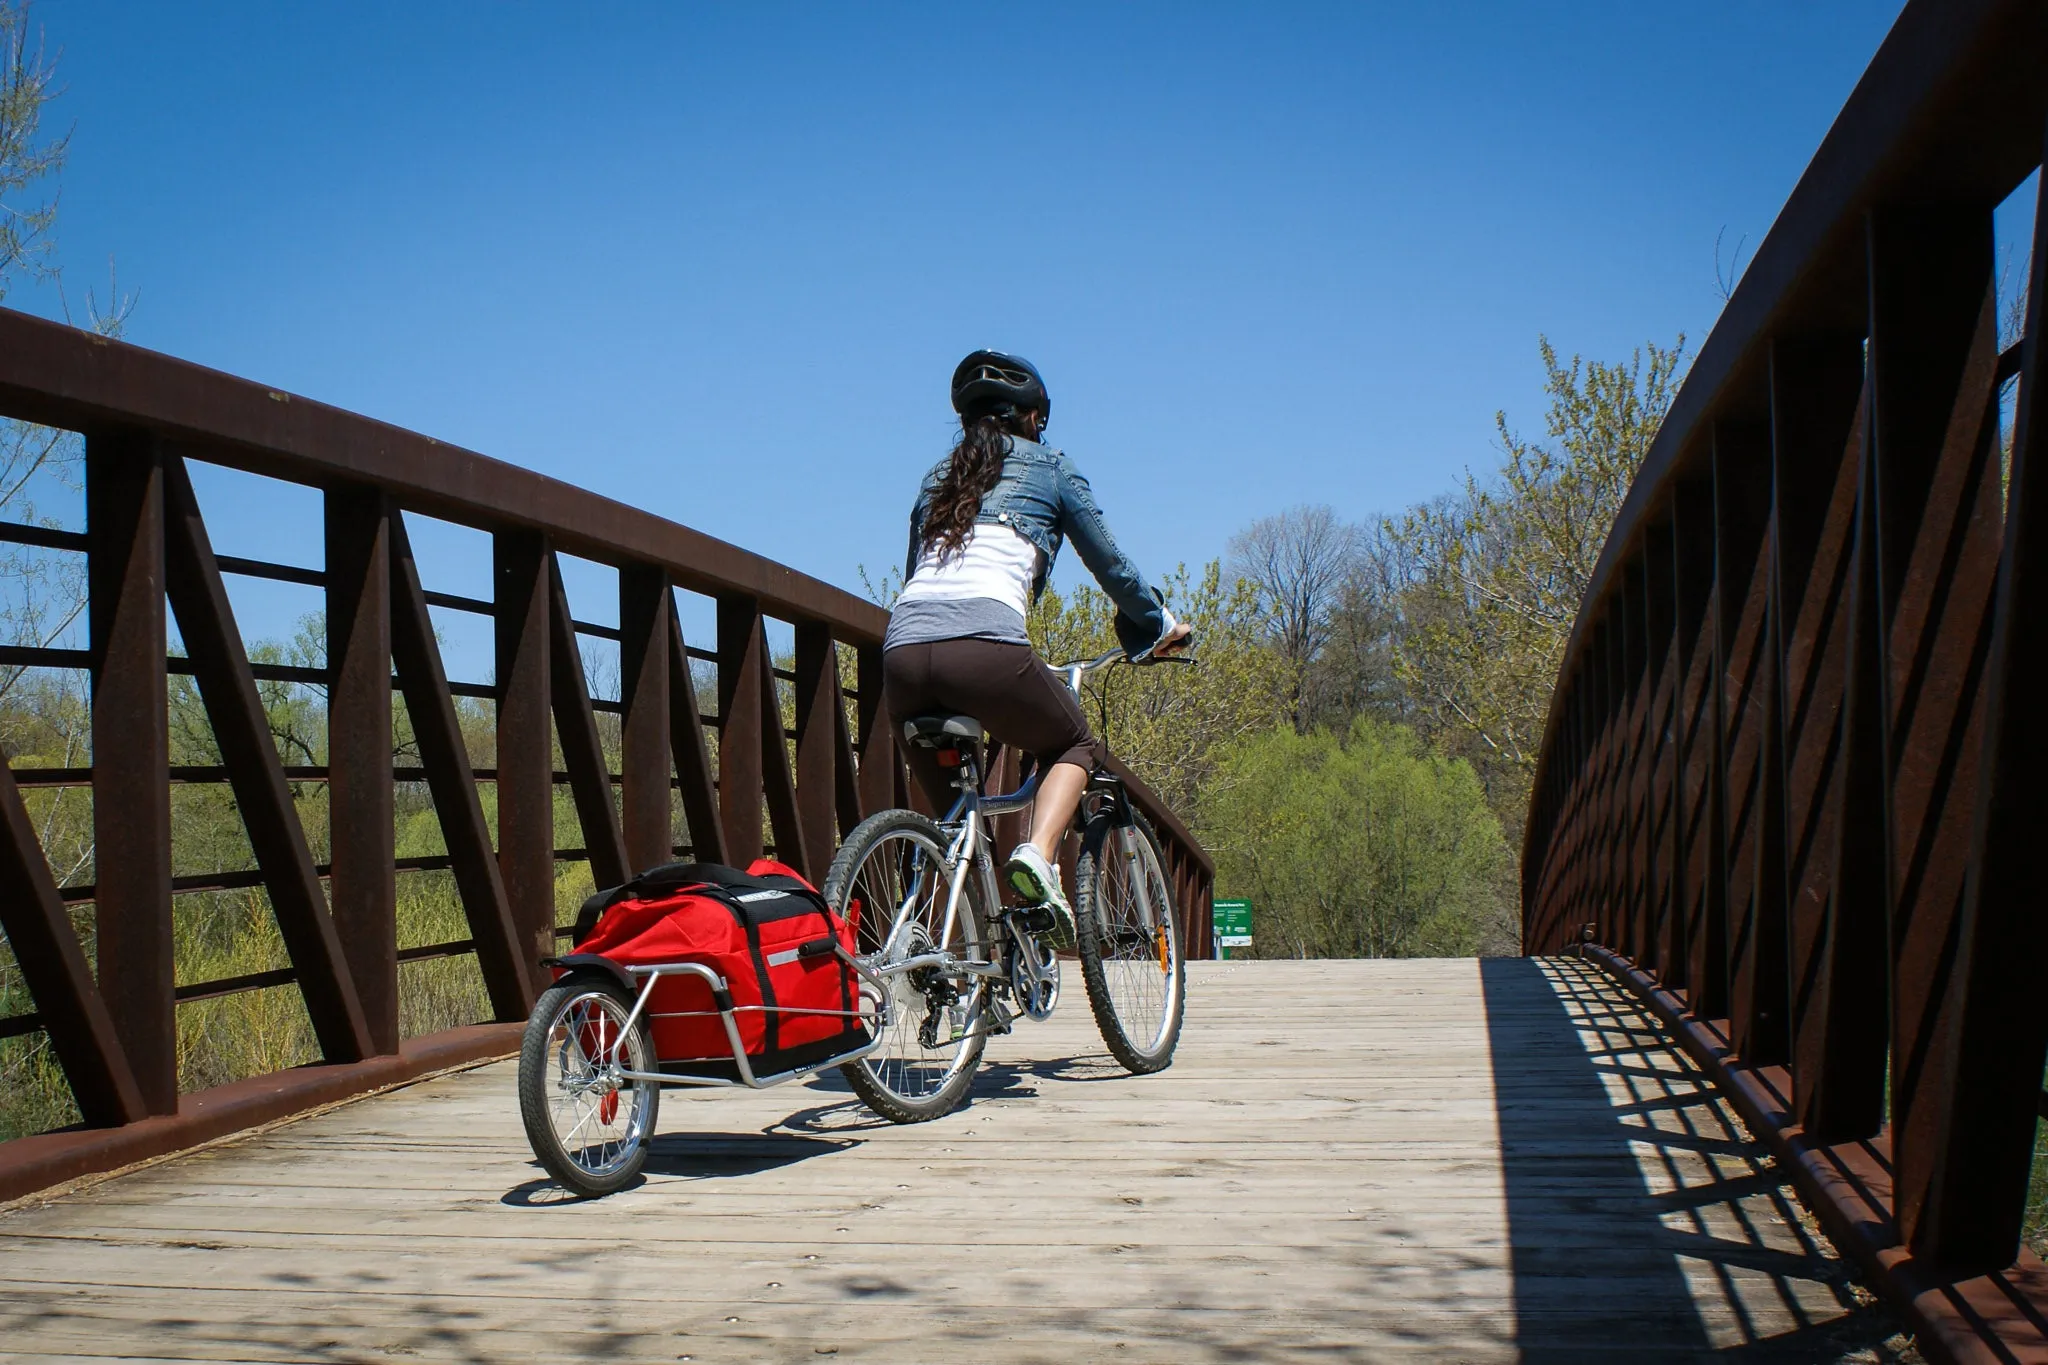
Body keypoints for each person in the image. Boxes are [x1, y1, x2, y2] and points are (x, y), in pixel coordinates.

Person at [883, 349, 1191, 940]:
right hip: (986, 648)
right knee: (1075, 744)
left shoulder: (935, 480)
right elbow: (1114, 569)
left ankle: (956, 961)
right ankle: (1039, 854)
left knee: (955, 824)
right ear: (1033, 420)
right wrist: (1155, 626)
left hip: (902, 653)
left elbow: (912, 578)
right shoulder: (1050, 468)